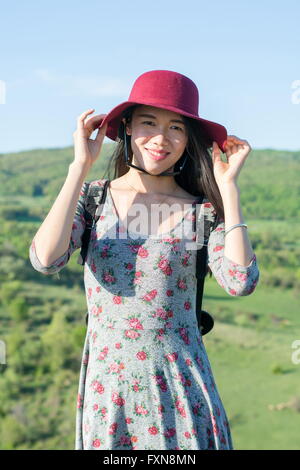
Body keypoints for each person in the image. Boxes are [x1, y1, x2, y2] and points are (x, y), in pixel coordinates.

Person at [29, 70, 259, 450]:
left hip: (182, 390)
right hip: (109, 393)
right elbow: (46, 259)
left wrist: (228, 190)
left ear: (188, 140)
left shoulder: (201, 211)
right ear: (127, 128)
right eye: (148, 122)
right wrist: (79, 167)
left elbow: (240, 281)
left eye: (176, 128)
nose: (161, 138)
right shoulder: (93, 199)